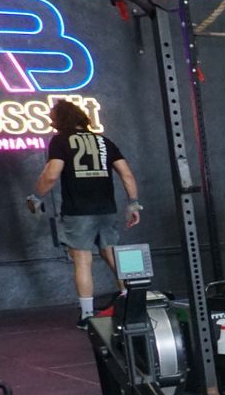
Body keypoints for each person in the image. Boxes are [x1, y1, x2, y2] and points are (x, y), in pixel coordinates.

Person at [26, 99, 142, 324]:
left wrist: (36, 197)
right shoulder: (103, 141)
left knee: (82, 260)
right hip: (106, 208)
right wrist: (134, 203)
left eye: (53, 119)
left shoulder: (60, 141)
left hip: (78, 211)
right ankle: (131, 305)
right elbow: (126, 174)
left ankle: (87, 315)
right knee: (112, 254)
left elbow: (51, 175)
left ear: (60, 120)